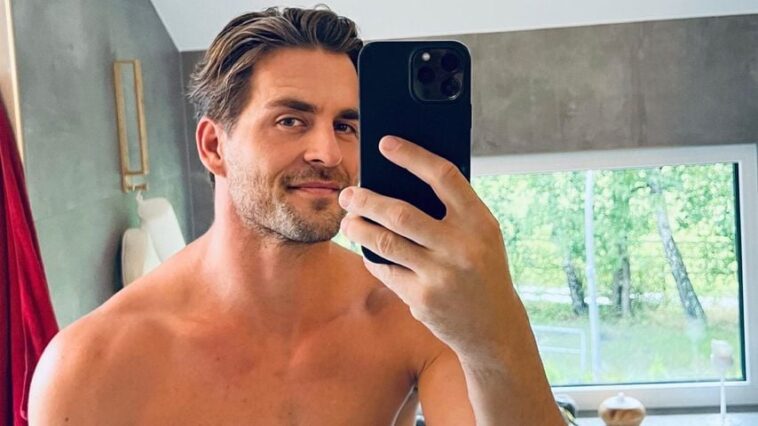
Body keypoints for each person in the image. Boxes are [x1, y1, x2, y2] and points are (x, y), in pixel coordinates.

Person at [29, 7, 564, 425]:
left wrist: (496, 328)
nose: (327, 153)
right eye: (290, 120)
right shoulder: (93, 362)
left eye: (346, 126)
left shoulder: (411, 314)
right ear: (214, 146)